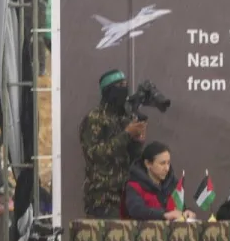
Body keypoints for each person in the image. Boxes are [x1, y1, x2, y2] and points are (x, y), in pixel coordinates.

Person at [81, 69, 147, 218]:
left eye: (125, 84)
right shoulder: (95, 118)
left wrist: (137, 141)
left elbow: (132, 157)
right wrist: (126, 134)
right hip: (103, 198)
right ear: (108, 90)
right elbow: (94, 154)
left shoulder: (124, 118)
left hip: (126, 195)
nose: (124, 89)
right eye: (120, 85)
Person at [122, 142, 194, 220]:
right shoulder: (134, 185)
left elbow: (180, 208)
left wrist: (187, 212)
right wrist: (164, 215)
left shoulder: (173, 184)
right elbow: (136, 210)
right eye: (162, 163)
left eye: (168, 163)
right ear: (148, 164)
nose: (167, 168)